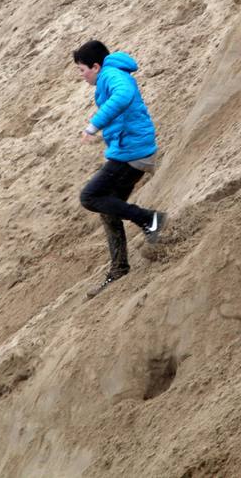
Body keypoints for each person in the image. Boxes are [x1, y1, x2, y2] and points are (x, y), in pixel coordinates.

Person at [74, 39, 166, 298]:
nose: (81, 76)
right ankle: (119, 268)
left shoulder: (111, 75)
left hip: (132, 153)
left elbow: (124, 96)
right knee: (107, 207)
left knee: (90, 197)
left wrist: (94, 126)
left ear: (95, 66)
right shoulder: (110, 76)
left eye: (82, 70)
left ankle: (150, 219)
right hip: (128, 149)